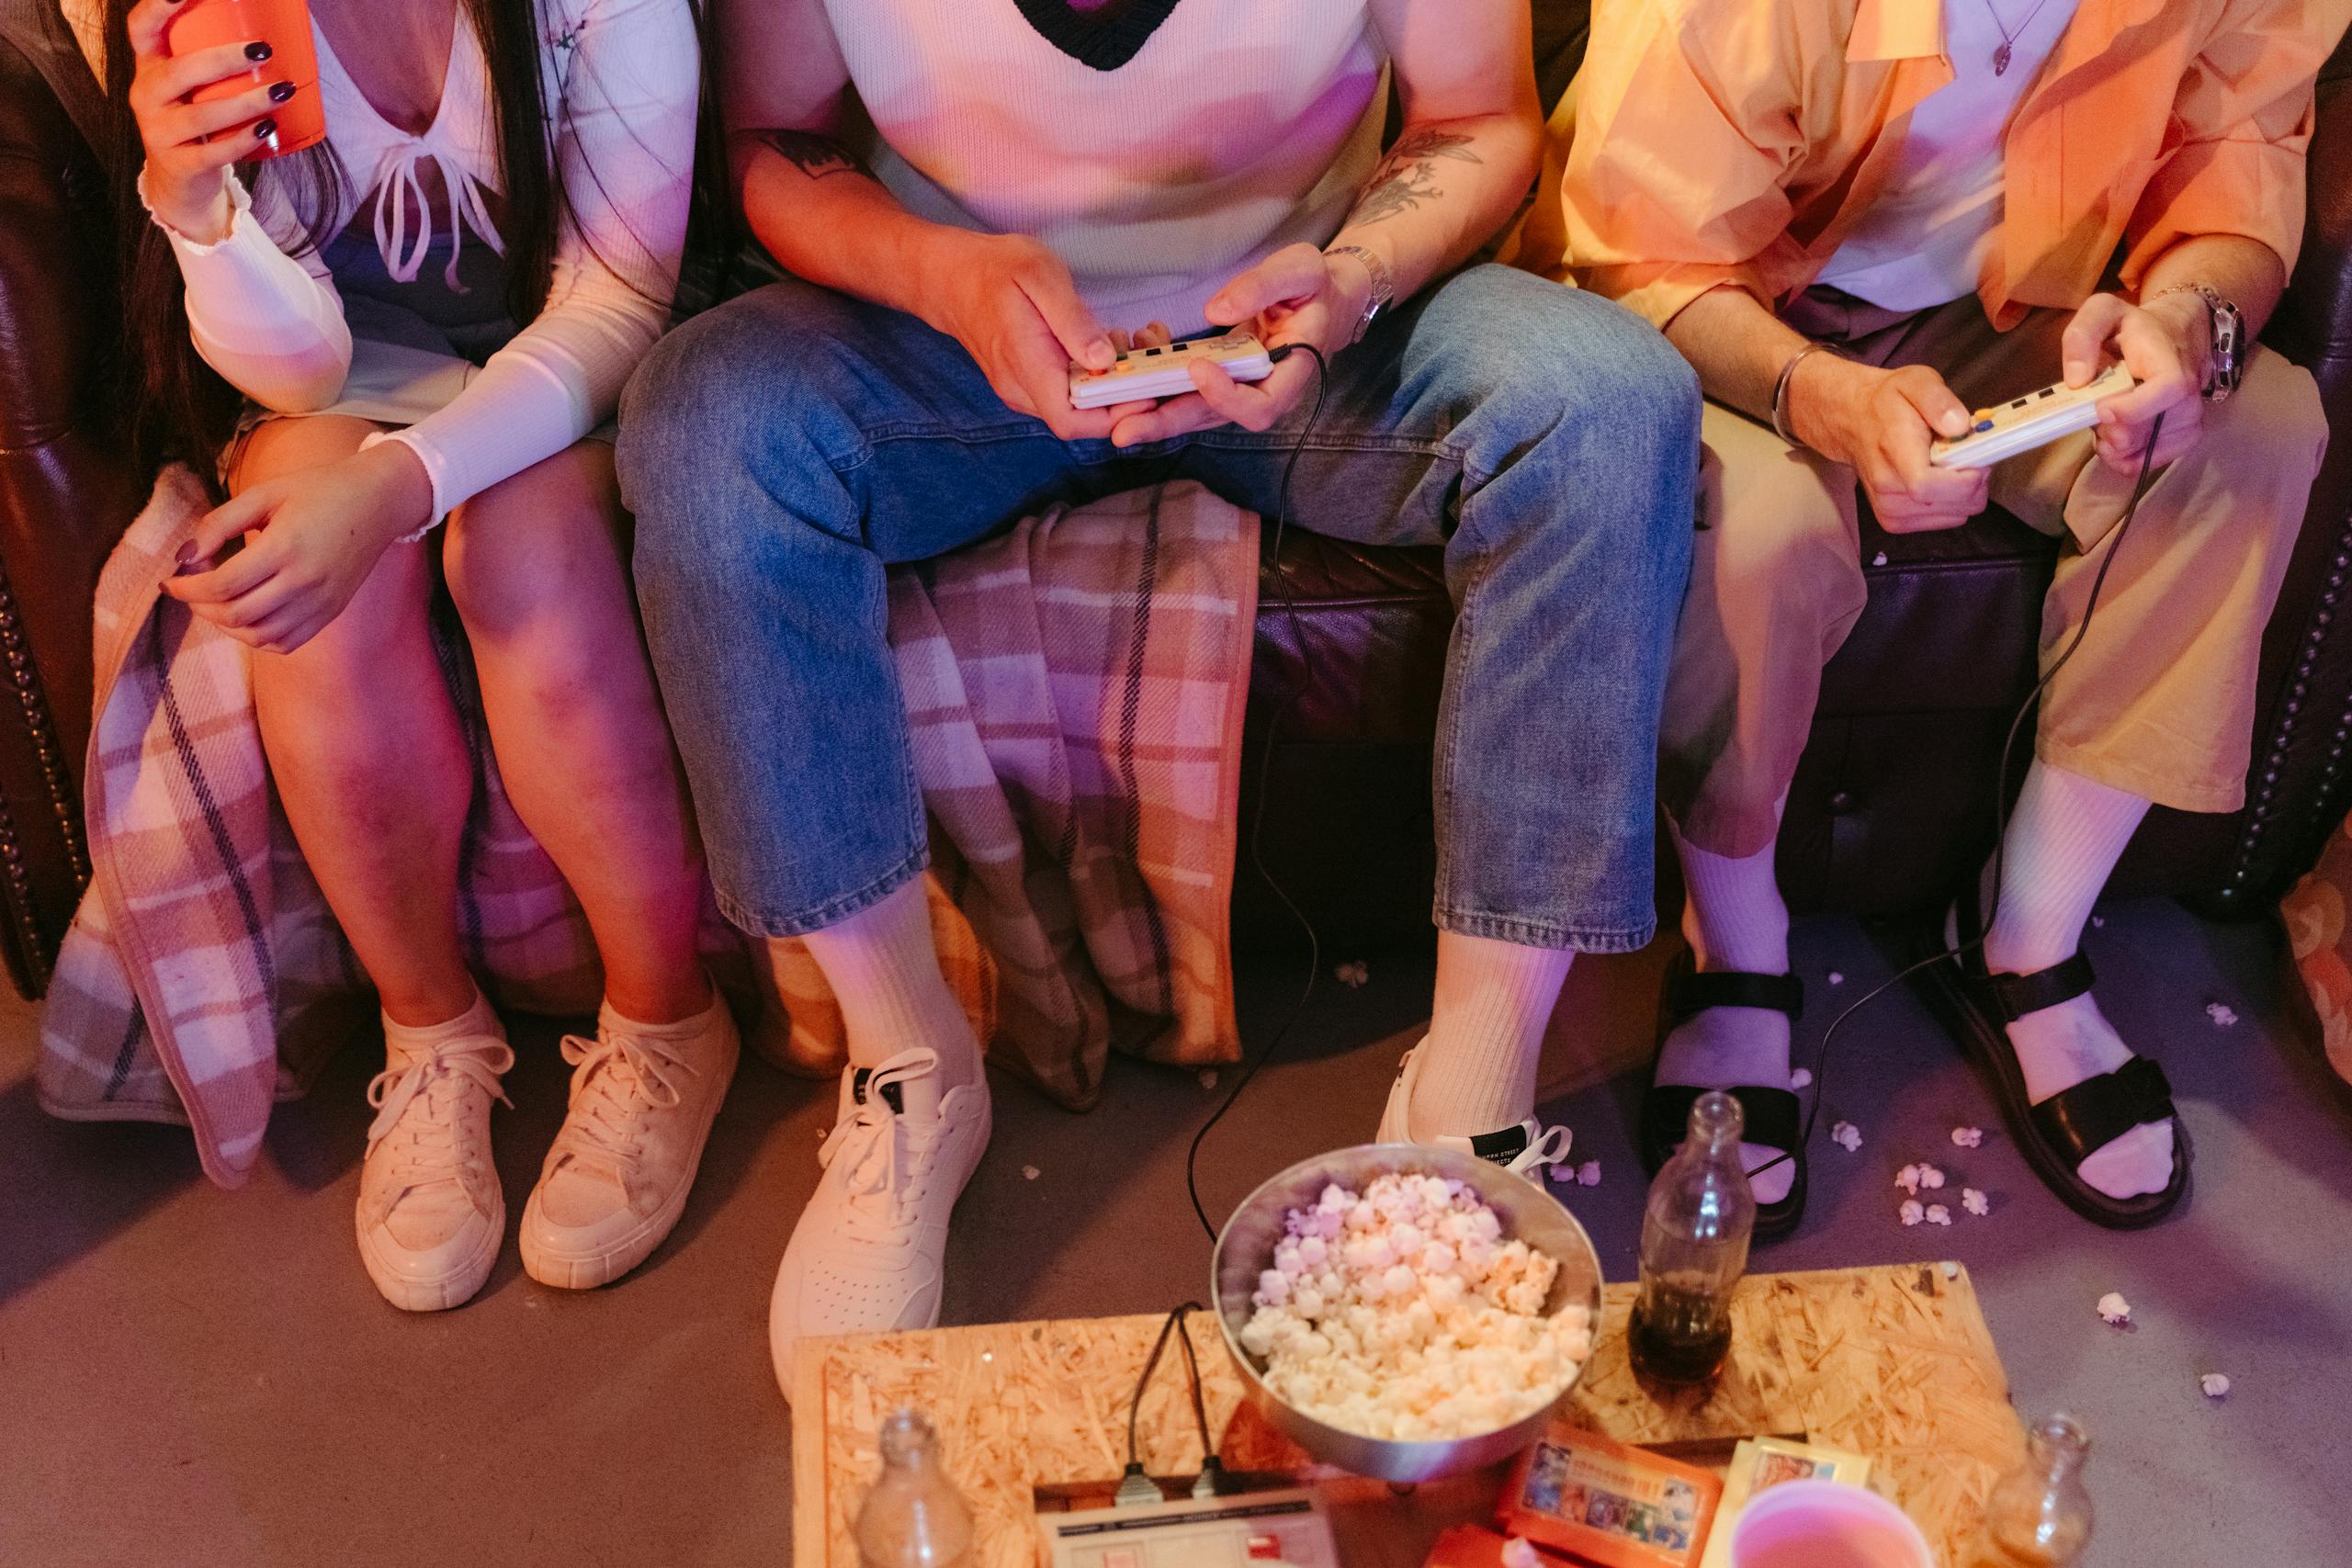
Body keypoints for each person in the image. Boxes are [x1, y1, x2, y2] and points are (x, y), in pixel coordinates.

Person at [619, 0, 1701, 1387]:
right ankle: (909, 1068)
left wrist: (1354, 278)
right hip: (956, 348)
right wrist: (943, 276)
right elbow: (775, 139)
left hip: (1304, 335)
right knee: (706, 423)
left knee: (1609, 407)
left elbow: (1480, 118)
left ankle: (1472, 1093)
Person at [1553, 0, 2343, 1231]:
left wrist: (2193, 315)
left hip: (2012, 310)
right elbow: (1636, 255)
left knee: (2259, 430)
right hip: (1721, 313)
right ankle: (1735, 950)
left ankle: (2025, 936)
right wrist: (1819, 396)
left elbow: (2237, 167)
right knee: (1764, 531)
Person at [115, 0, 732, 1308]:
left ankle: (667, 1016)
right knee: (301, 563)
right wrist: (196, 207)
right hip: (343, 392)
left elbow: (618, 299)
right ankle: (431, 1029)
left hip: (581, 373)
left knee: (522, 549)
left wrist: (404, 487)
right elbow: (304, 377)